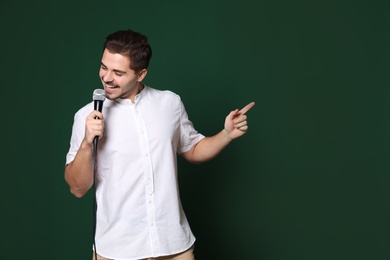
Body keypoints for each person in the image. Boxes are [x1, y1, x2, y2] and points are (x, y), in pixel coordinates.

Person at [64, 28, 255, 260]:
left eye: (118, 72)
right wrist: (86, 143)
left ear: (141, 74)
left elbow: (193, 149)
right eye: (104, 67)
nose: (106, 77)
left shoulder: (169, 103)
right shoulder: (86, 116)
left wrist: (226, 134)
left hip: (174, 246)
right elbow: (77, 188)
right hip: (117, 250)